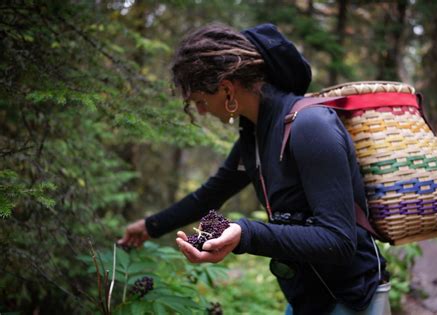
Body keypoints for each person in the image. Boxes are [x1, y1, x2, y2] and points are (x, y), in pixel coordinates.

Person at [118, 23, 390, 314]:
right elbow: (210, 196)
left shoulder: (310, 126)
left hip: (353, 299)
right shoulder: (254, 136)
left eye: (200, 100)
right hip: (305, 299)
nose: (200, 111)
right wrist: (150, 227)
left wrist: (245, 233)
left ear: (226, 89)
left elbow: (339, 241)